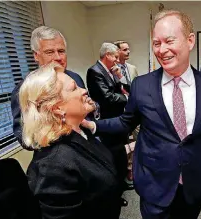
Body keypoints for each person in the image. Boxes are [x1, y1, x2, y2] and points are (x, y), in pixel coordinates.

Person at [83, 10, 201, 219]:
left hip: (193, 184)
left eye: (169, 41)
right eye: (156, 43)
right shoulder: (142, 85)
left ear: (190, 41)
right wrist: (94, 126)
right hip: (154, 184)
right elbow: (126, 122)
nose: (162, 50)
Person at [19, 62, 122, 219]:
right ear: (57, 108)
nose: (84, 90)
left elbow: (95, 161)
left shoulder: (80, 131)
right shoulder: (54, 165)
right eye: (74, 88)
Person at [11, 26, 98, 148]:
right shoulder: (25, 90)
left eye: (61, 51)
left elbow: (87, 113)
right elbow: (25, 137)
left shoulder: (75, 77)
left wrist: (92, 108)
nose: (58, 57)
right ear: (36, 55)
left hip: (90, 145)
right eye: (49, 52)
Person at [86, 42, 132, 203]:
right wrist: (126, 98)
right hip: (107, 122)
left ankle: (122, 182)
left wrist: (119, 77)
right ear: (107, 55)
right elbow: (107, 98)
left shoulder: (111, 70)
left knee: (121, 154)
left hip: (118, 119)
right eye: (115, 57)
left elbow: (123, 88)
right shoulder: (94, 71)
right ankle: (115, 193)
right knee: (112, 156)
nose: (117, 60)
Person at [114, 40, 139, 183]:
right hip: (120, 112)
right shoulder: (111, 69)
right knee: (124, 142)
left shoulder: (133, 68)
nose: (128, 52)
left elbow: (135, 88)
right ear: (117, 52)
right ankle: (128, 168)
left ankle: (135, 165)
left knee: (138, 138)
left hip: (135, 110)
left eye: (128, 49)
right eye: (124, 50)